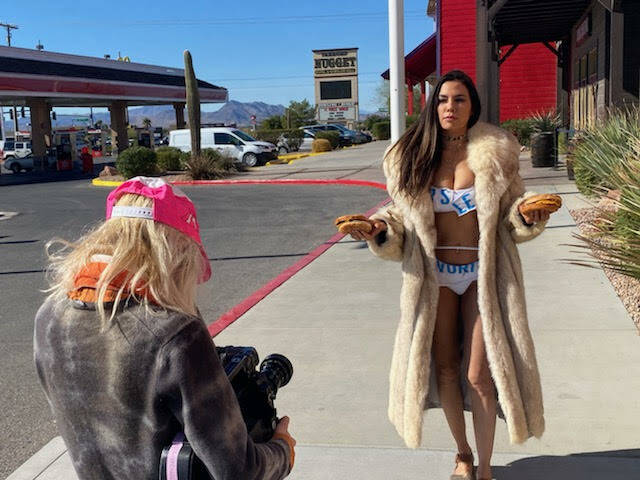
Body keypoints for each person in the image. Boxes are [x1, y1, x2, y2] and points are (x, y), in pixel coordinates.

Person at [349, 70, 554, 480]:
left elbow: (512, 208)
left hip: (482, 274)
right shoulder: (413, 155)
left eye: (459, 99)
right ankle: (463, 454)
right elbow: (399, 216)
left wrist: (528, 212)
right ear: (433, 105)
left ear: (471, 105)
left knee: (479, 375)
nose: (450, 107)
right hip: (434, 278)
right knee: (444, 369)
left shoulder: (496, 153)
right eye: (443, 99)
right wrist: (378, 229)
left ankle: (485, 469)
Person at [34, 177, 295, 480]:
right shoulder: (176, 333)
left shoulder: (48, 317)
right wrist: (282, 450)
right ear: (178, 250)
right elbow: (238, 471)